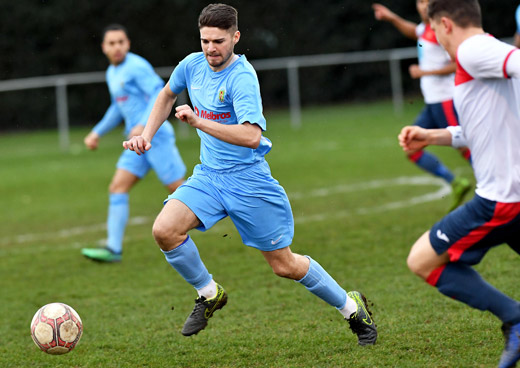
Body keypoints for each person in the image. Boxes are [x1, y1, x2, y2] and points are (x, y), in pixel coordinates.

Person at [123, 3, 377, 345]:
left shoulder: (241, 78)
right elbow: (166, 95)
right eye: (205, 40)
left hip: (249, 181)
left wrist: (200, 122)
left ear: (235, 37)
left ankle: (351, 308)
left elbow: (252, 136)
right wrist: (147, 136)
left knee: (284, 265)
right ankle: (209, 293)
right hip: (210, 176)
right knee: (165, 230)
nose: (211, 48)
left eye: (219, 41)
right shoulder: (192, 65)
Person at [399, 0, 520, 366]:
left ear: (446, 24)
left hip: (501, 202)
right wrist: (432, 136)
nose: (435, 38)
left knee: (422, 260)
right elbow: (482, 126)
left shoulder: (472, 49)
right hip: (511, 197)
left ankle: (515, 317)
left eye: (434, 30)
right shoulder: (483, 56)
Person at [81, 24, 186, 263]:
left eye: (121, 42)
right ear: (104, 47)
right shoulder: (112, 73)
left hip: (155, 138)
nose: (117, 47)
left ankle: (231, 213)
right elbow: (117, 107)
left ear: (127, 44)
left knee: (179, 190)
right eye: (111, 43)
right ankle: (113, 249)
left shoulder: (137, 67)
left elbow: (159, 94)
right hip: (134, 143)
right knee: (117, 187)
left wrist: (142, 125)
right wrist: (97, 132)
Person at [373, 0, 471, 212]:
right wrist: (391, 17)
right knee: (412, 146)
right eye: (419, 1)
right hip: (432, 103)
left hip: (446, 100)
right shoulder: (426, 28)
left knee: (465, 145)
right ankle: (456, 183)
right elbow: (413, 31)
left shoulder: (443, 32)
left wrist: (425, 72)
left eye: (427, 1)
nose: (422, 6)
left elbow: (458, 62)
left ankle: (500, 186)